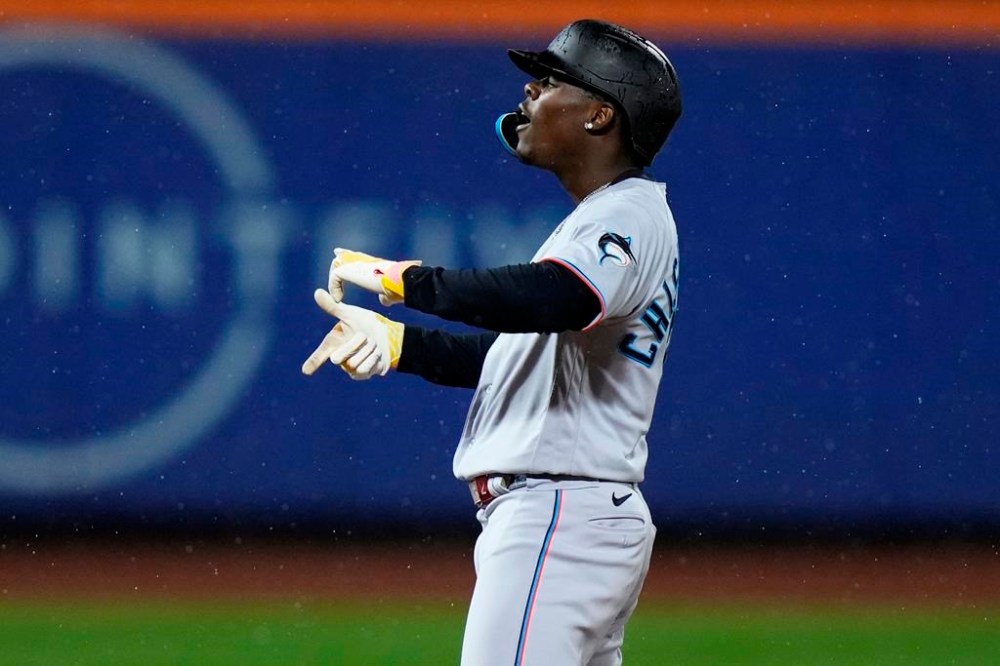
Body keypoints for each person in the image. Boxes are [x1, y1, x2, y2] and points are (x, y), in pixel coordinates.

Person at [302, 18, 682, 666]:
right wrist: (401, 345)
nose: (531, 91)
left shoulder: (628, 215)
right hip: (573, 515)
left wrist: (410, 281)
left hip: (560, 514)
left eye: (554, 79)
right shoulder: (608, 219)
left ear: (598, 116)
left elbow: (549, 297)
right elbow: (524, 359)